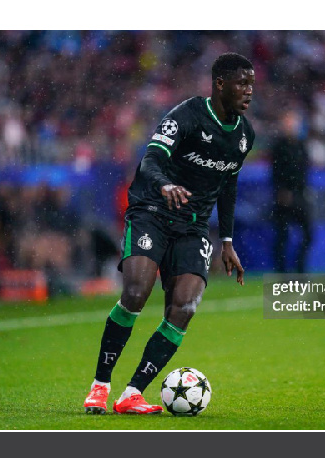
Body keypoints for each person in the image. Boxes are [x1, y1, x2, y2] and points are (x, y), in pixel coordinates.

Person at [84, 52, 255, 414]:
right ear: (219, 84)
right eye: (242, 83)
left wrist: (226, 240)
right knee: (135, 292)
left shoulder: (244, 136)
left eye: (251, 83)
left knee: (184, 306)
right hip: (152, 212)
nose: (249, 90)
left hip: (193, 227)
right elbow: (150, 160)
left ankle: (133, 392)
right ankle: (100, 385)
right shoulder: (186, 115)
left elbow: (228, 186)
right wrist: (164, 185)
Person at [271, 109, 311, 273]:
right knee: (282, 236)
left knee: (308, 235)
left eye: (293, 123)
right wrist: (282, 190)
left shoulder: (302, 146)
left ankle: (299, 268)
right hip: (284, 196)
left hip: (299, 195)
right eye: (288, 123)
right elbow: (276, 171)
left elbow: (303, 171)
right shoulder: (279, 146)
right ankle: (281, 271)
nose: (291, 126)